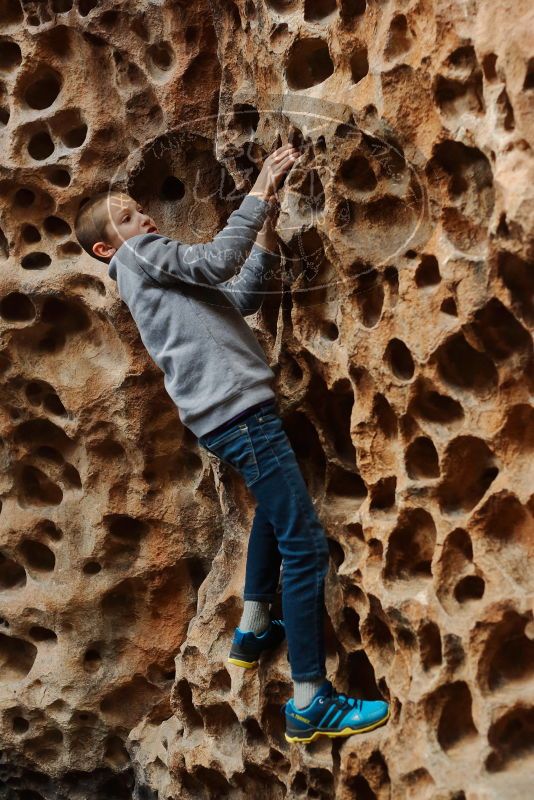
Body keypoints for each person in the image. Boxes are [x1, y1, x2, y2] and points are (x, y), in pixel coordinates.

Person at [74, 143, 390, 743]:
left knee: (277, 507)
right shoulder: (142, 257)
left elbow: (238, 298)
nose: (144, 219)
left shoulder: (153, 277)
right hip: (241, 415)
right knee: (304, 546)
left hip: (227, 419)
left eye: (141, 210)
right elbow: (220, 260)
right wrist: (260, 191)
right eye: (128, 215)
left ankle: (253, 624)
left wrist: (265, 235)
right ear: (105, 249)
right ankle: (309, 700)